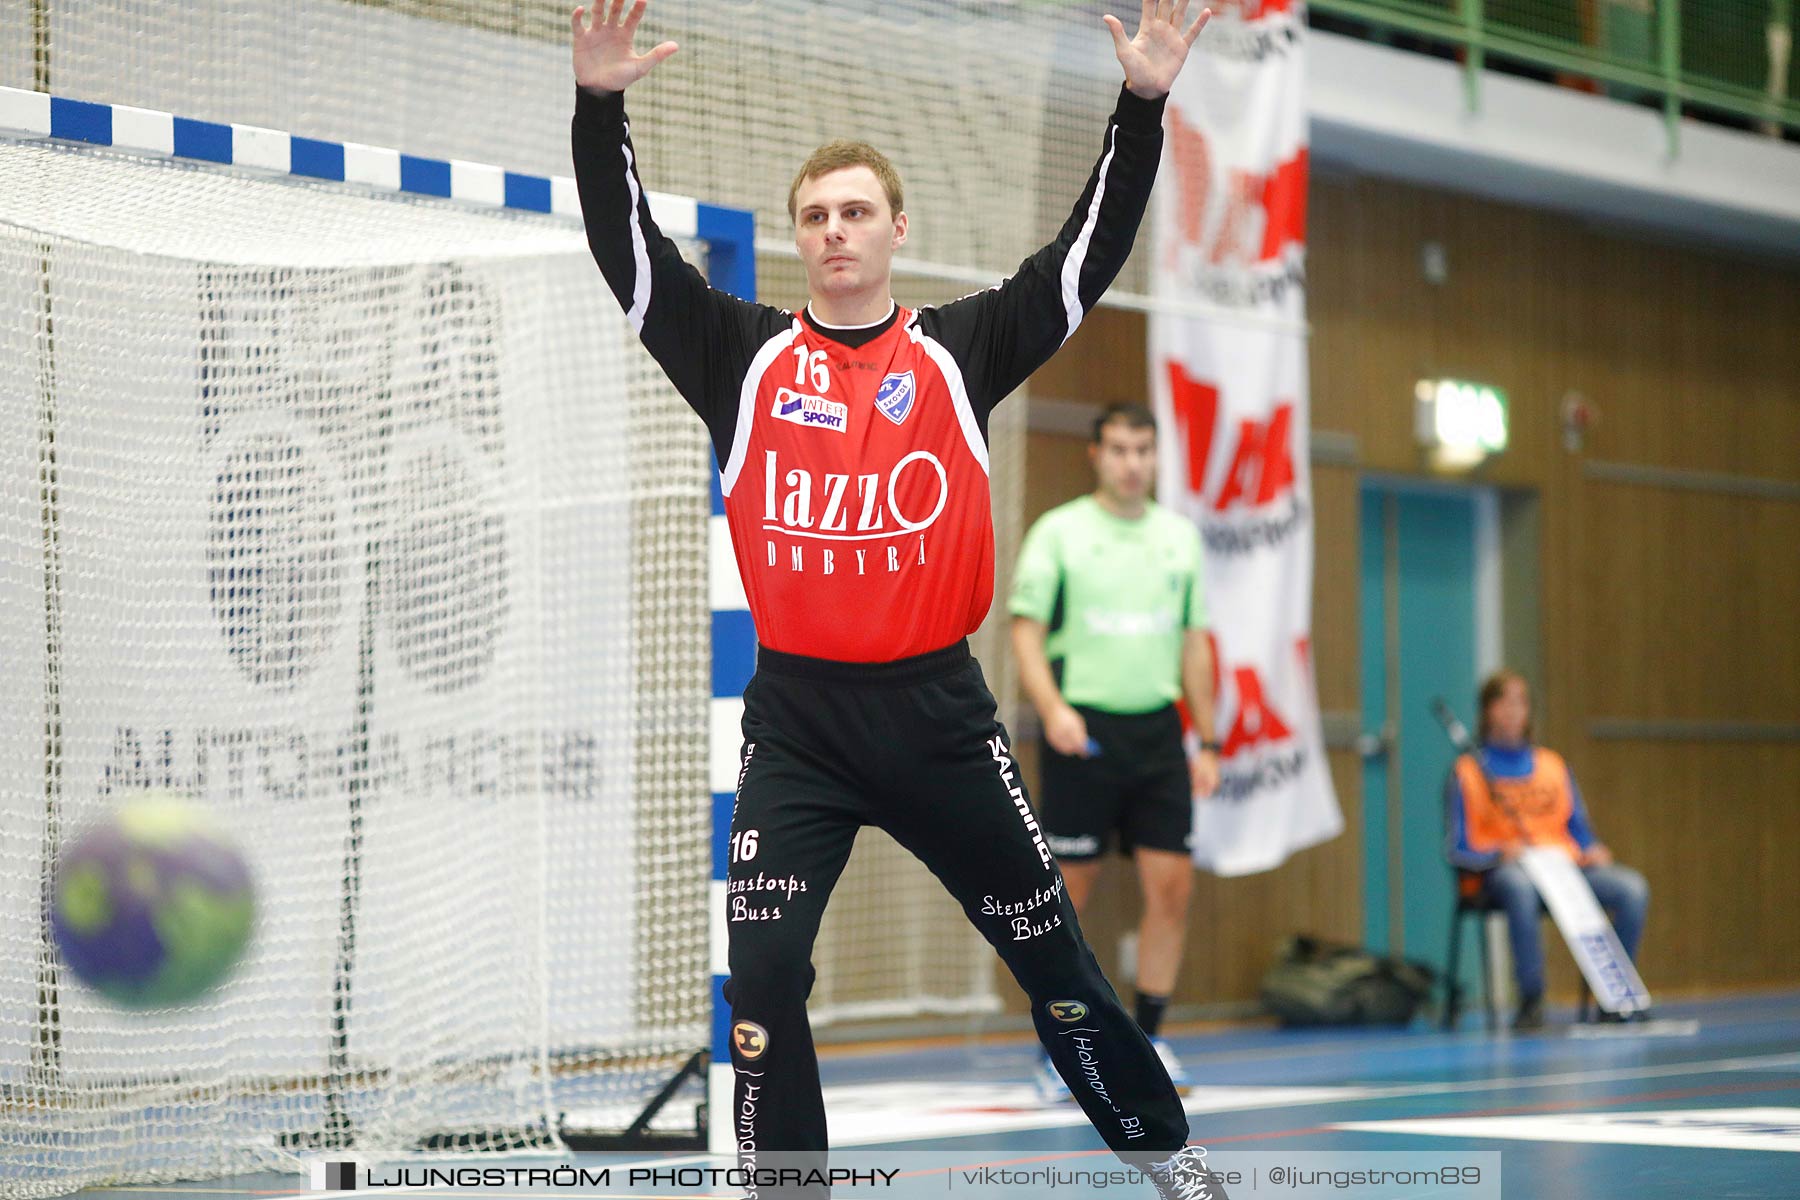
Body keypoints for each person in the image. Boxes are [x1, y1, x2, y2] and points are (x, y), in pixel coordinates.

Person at [569, 2, 1226, 1197]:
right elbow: (631, 259)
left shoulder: (960, 352)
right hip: (801, 730)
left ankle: (1166, 1159)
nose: (835, 231)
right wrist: (598, 105)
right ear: (797, 240)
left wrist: (1142, 108)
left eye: (855, 211)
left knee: (1059, 964)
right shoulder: (742, 357)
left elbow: (1084, 261)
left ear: (895, 229)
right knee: (761, 983)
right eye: (815, 216)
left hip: (938, 722)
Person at [1010, 403, 1218, 1101]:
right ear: (1096, 454)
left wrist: (1209, 739)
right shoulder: (1060, 533)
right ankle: (1061, 1049)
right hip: (1084, 730)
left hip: (1158, 734)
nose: (1133, 462)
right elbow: (1026, 633)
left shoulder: (1180, 540)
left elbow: (1195, 643)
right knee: (1068, 893)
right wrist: (1053, 710)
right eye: (1121, 449)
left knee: (1173, 889)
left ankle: (1153, 1039)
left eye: (1145, 450)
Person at [1444, 669, 1652, 1031]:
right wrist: (1496, 854)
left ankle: (1616, 996)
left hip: (1565, 867)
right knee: (1518, 887)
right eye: (1503, 702)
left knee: (1631, 888)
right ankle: (1531, 998)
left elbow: (1579, 829)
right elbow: (1459, 848)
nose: (1512, 711)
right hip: (1506, 872)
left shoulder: (1552, 766)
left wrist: (1593, 849)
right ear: (1487, 710)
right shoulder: (1467, 771)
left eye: (1520, 702)